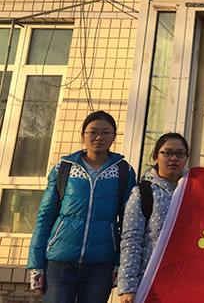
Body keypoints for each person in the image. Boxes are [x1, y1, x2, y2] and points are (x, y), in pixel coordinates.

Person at [27, 110, 137, 303]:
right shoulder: (64, 168)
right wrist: (36, 265)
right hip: (59, 262)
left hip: (101, 264)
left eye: (106, 132)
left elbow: (129, 224)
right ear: (82, 135)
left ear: (113, 137)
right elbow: (45, 217)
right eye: (93, 132)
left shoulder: (124, 171)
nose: (99, 137)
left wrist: (120, 264)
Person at [118, 133, 189, 303]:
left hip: (185, 280)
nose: (174, 158)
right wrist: (128, 287)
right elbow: (131, 240)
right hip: (150, 280)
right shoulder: (142, 193)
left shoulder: (195, 192)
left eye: (180, 153)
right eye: (167, 153)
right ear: (156, 157)